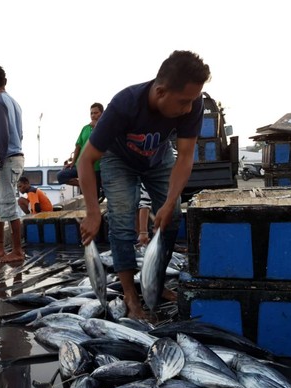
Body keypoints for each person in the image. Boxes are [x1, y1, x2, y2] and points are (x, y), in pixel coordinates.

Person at [78, 50, 211, 319]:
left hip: (159, 158)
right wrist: (92, 212)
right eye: (183, 102)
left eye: (193, 101)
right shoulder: (124, 105)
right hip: (119, 160)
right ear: (161, 92)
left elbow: (185, 157)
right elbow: (85, 160)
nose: (189, 108)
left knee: (171, 217)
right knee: (122, 221)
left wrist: (170, 201)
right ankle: (130, 295)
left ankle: (154, 283)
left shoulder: (193, 104)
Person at [0, 63, 25, 263]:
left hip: (6, 160)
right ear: (5, 81)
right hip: (16, 156)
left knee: (8, 205)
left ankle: (17, 250)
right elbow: (20, 133)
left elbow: (1, 136)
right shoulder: (13, 102)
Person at [58, 102, 105, 200]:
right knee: (61, 175)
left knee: (94, 199)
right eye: (91, 113)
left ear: (102, 113)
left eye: (96, 113)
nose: (93, 115)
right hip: (81, 165)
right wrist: (73, 162)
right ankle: (85, 183)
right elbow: (78, 146)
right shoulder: (85, 128)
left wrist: (98, 126)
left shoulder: (105, 128)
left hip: (97, 168)